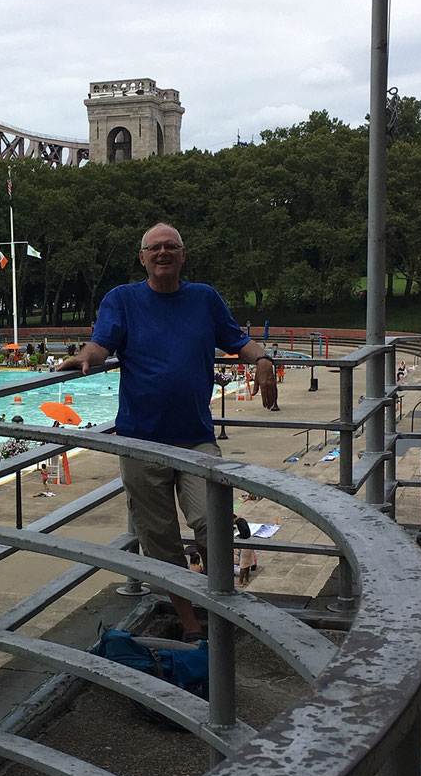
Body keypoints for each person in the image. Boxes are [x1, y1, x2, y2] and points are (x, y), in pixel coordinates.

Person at [56, 223, 273, 640]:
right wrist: (85, 355)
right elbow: (102, 345)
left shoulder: (204, 298)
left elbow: (237, 340)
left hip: (195, 435)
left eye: (170, 246)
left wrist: (262, 358)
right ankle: (191, 623)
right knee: (159, 538)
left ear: (183, 255)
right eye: (153, 248)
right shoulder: (121, 299)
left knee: (213, 521)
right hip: (141, 441)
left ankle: (216, 604)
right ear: (142, 258)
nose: (162, 252)